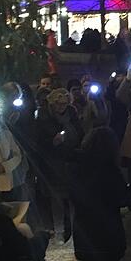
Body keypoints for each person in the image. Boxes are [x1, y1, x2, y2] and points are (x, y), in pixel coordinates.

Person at [69, 128, 127, 261]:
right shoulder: (111, 171)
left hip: (86, 231)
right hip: (108, 232)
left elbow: (73, 196)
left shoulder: (77, 168)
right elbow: (122, 198)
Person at [35, 88, 83, 242]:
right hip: (53, 161)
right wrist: (52, 142)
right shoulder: (43, 116)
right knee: (55, 196)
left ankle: (70, 227)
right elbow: (38, 140)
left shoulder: (72, 113)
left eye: (64, 104)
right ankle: (54, 228)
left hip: (70, 157)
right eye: (58, 104)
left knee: (70, 195)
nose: (61, 107)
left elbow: (80, 132)